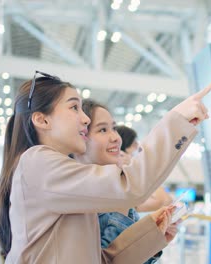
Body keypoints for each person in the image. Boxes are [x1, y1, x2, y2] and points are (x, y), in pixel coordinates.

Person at [0, 71, 211, 264]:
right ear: (42, 120)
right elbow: (130, 186)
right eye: (74, 108)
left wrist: (150, 232)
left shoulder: (53, 173)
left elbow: (100, 260)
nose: (85, 119)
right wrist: (176, 121)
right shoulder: (37, 162)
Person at [74, 100, 176, 264]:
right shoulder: (76, 197)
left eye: (114, 128)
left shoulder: (117, 193)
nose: (115, 137)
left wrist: (152, 240)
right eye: (102, 130)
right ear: (79, 137)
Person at [116, 125, 173, 212]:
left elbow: (167, 200)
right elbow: (162, 200)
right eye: (134, 144)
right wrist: (135, 167)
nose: (138, 148)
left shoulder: (133, 177)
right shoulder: (119, 176)